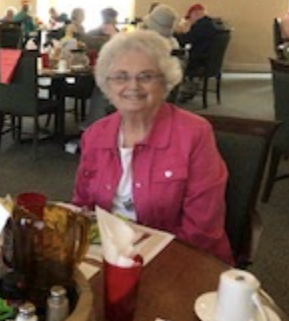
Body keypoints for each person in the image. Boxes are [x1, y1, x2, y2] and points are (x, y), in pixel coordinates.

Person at [72, 30, 233, 265]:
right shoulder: (95, 134)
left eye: (146, 76)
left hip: (178, 259)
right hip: (106, 253)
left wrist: (143, 264)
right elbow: (82, 206)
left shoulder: (195, 134)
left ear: (165, 81)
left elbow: (202, 230)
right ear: (107, 85)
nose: (133, 86)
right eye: (120, 77)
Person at [175, 4, 218, 100]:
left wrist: (175, 34)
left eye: (190, 18)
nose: (190, 21)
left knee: (174, 63)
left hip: (198, 61)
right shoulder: (210, 24)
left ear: (195, 14)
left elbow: (185, 40)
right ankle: (189, 88)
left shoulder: (200, 26)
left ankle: (182, 90)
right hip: (208, 62)